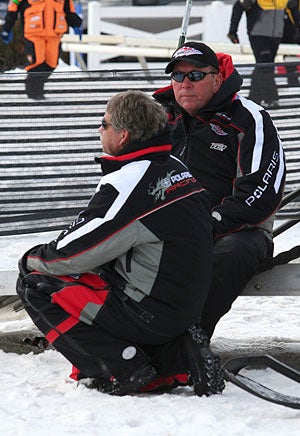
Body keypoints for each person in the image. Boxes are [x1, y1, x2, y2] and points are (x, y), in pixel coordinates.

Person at [16, 90, 224, 396]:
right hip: (185, 306)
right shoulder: (175, 167)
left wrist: (31, 259)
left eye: (104, 123)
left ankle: (122, 367)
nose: (99, 130)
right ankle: (173, 357)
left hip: (150, 311)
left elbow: (75, 252)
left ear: (124, 135)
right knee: (100, 274)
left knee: (37, 284)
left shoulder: (130, 181)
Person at [153, 41, 286, 339]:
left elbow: (262, 192)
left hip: (238, 230)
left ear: (217, 79)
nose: (185, 84)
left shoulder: (249, 118)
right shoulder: (159, 120)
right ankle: (123, 337)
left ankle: (188, 340)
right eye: (177, 76)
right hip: (170, 228)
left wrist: (207, 224)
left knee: (230, 253)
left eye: (195, 75)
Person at [0, 0, 82, 99]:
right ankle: (34, 93)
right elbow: (14, 5)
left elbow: (68, 10)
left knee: (52, 63)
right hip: (34, 33)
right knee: (37, 62)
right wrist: (7, 27)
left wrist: (76, 24)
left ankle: (34, 89)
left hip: (54, 34)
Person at [227, 0, 300, 107]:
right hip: (258, 34)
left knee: (263, 66)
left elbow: (293, 7)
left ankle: (253, 99)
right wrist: (233, 31)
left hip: (276, 35)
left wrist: (298, 28)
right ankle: (271, 99)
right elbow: (238, 7)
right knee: (266, 65)